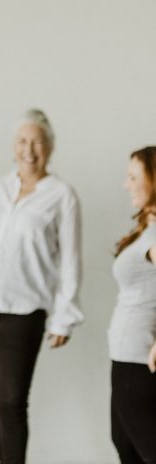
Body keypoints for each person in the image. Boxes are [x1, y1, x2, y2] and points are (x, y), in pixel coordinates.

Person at [0, 109, 83, 464]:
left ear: (51, 147)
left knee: (11, 401)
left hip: (25, 309)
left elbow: (71, 260)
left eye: (38, 142)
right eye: (23, 141)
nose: (30, 149)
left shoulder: (62, 195)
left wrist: (65, 317)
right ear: (13, 146)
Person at [109, 146, 156, 463]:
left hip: (140, 360)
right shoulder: (147, 229)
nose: (126, 185)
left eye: (133, 177)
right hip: (125, 356)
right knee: (126, 446)